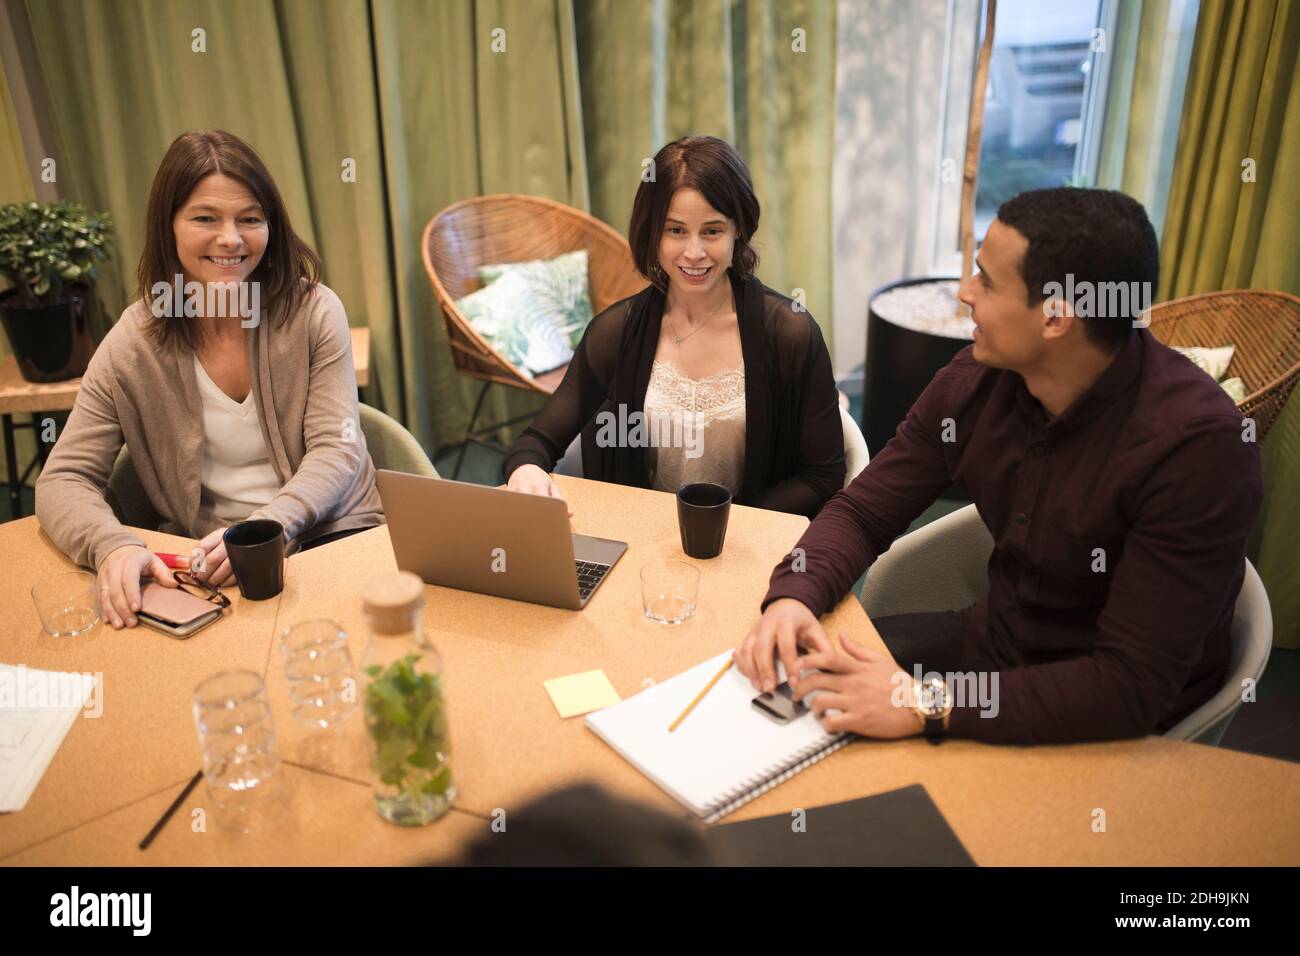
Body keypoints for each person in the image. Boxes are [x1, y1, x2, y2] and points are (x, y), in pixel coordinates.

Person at [734, 187, 1264, 745]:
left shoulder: (1200, 452)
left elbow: (1129, 686)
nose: (964, 294)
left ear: (1056, 318)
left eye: (986, 280)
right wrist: (795, 594)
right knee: (764, 703)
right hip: (990, 654)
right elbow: (865, 511)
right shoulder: (977, 382)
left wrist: (923, 703)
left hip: (1112, 728)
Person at [35, 129, 383, 630]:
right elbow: (63, 479)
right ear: (168, 227)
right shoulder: (133, 342)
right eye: (205, 218)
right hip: (202, 560)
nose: (231, 239)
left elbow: (337, 448)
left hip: (331, 532)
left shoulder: (313, 312)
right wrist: (111, 546)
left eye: (250, 219)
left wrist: (269, 526)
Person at [503, 135, 844, 518]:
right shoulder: (613, 333)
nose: (694, 253)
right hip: (643, 541)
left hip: (749, 543)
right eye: (676, 230)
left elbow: (823, 475)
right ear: (652, 234)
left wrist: (725, 524)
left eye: (712, 231)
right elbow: (536, 442)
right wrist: (527, 469)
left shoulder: (790, 333)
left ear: (738, 230)